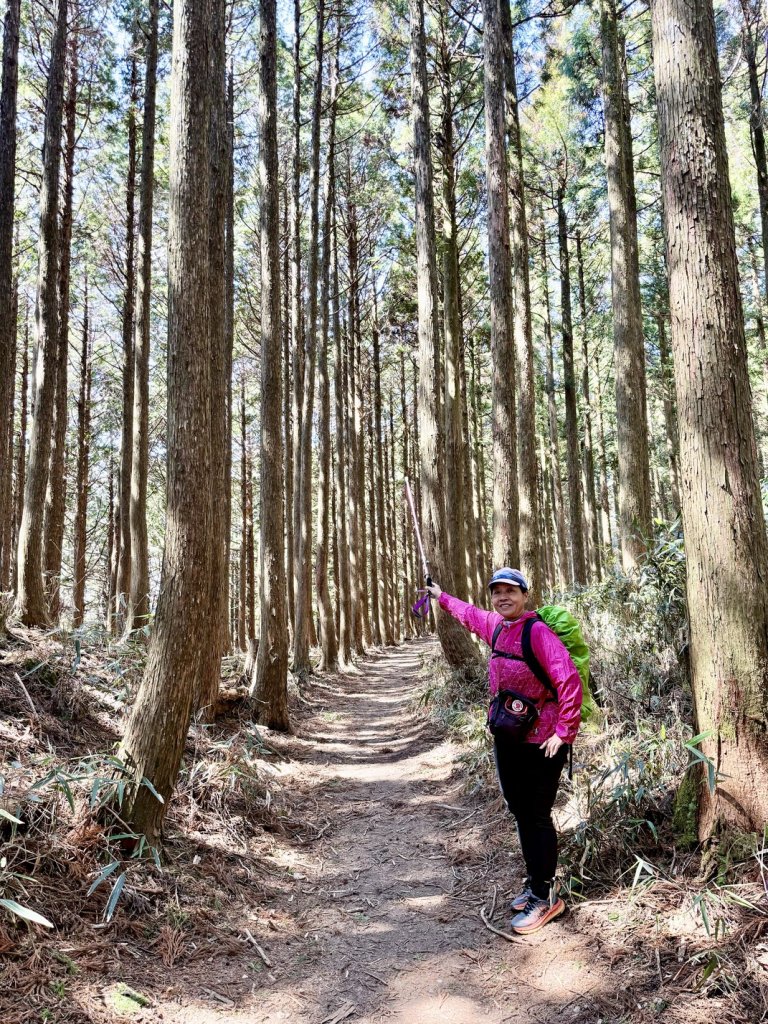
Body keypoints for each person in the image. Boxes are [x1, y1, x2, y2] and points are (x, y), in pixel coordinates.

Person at [424, 567, 581, 935]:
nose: (503, 597)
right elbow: (467, 614)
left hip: (542, 741)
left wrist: (565, 730)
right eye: (497, 592)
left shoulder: (537, 632)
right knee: (520, 810)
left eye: (511, 591)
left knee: (537, 815)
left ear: (525, 595)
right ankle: (534, 884)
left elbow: (567, 677)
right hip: (507, 736)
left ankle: (546, 897)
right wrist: (440, 596)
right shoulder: (495, 626)